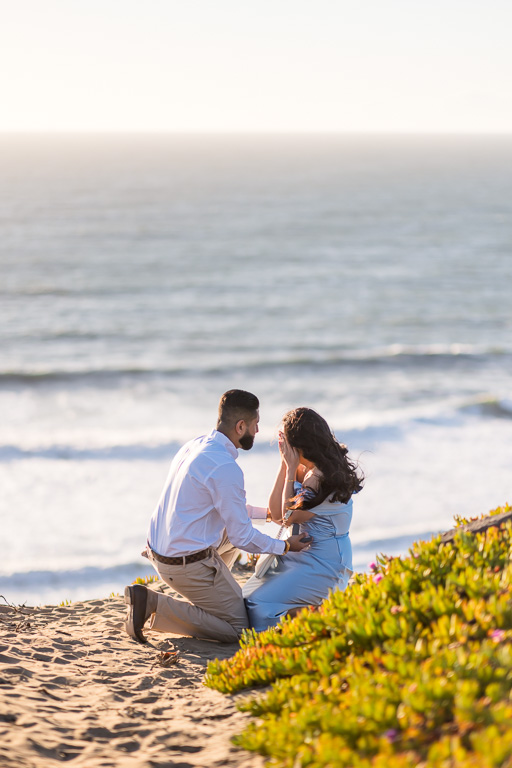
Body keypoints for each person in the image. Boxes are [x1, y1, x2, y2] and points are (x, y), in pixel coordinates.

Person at [124, 390, 311, 644]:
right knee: (238, 630)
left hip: (163, 550)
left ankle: (217, 595)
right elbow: (242, 536)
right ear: (240, 426)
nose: (258, 430)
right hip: (183, 564)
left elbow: (229, 512)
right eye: (255, 424)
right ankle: (153, 603)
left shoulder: (196, 446)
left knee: (233, 530)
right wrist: (285, 547)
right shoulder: (225, 466)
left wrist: (267, 515)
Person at [243, 407, 364, 632]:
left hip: (324, 562)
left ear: (299, 444)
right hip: (299, 554)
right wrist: (284, 466)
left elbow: (287, 518)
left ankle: (316, 616)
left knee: (257, 604)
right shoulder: (306, 467)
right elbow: (276, 513)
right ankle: (310, 613)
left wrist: (290, 470)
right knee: (247, 599)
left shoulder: (321, 477)